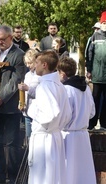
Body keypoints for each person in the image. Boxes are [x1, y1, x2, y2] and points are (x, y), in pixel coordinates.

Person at [0, 25, 26, 184]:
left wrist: (1, 97)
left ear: (10, 37)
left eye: (2, 39)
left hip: (10, 107)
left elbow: (16, 80)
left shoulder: (19, 55)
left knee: (12, 143)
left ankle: (13, 177)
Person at [27, 50, 72, 184]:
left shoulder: (45, 86)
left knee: (43, 176)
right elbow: (67, 114)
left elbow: (50, 115)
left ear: (44, 65)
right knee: (53, 176)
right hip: (54, 136)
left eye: (37, 63)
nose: (35, 66)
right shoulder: (60, 85)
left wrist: (31, 110)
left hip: (44, 139)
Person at [57, 56, 96, 184]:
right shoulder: (86, 89)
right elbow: (92, 113)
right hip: (83, 135)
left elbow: (64, 116)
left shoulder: (66, 90)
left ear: (62, 74)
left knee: (69, 172)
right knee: (82, 172)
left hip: (68, 135)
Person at [86, 11, 106, 130]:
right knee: (95, 100)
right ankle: (91, 124)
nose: (105, 25)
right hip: (97, 75)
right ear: (101, 23)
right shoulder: (94, 36)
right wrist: (89, 70)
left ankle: (104, 124)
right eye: (104, 22)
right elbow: (89, 54)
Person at [18, 48, 40, 140]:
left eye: (30, 63)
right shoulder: (27, 75)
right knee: (28, 138)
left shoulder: (40, 75)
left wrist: (28, 88)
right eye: (26, 63)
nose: (28, 65)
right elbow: (24, 93)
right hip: (27, 111)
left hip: (37, 113)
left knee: (35, 139)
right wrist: (21, 102)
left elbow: (42, 93)